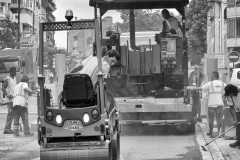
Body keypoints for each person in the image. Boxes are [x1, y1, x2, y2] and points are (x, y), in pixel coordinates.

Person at [194, 71, 226, 137]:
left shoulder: (210, 84)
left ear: (214, 76)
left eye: (211, 75)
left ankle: (211, 132)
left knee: (211, 118)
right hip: (220, 103)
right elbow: (226, 92)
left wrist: (193, 89)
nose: (210, 77)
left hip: (211, 104)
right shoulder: (223, 84)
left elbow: (201, 88)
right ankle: (218, 132)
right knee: (218, 118)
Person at [2, 66, 17, 134]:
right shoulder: (7, 79)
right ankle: (7, 129)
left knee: (12, 114)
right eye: (14, 71)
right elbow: (3, 88)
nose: (15, 72)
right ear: (10, 72)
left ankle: (9, 128)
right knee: (10, 114)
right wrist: (8, 95)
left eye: (15, 71)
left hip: (14, 99)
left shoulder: (14, 78)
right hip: (9, 100)